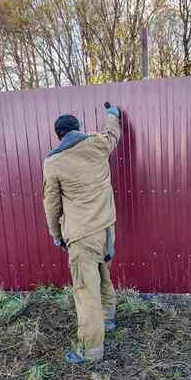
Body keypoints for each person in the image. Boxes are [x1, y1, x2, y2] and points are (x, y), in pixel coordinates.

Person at [42, 105, 121, 364]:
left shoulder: (54, 162)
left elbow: (51, 204)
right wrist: (113, 114)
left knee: (85, 291)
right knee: (103, 272)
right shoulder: (98, 144)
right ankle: (108, 318)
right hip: (106, 228)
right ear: (77, 128)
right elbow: (113, 134)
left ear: (59, 135)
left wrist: (56, 234)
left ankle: (91, 351)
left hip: (81, 235)